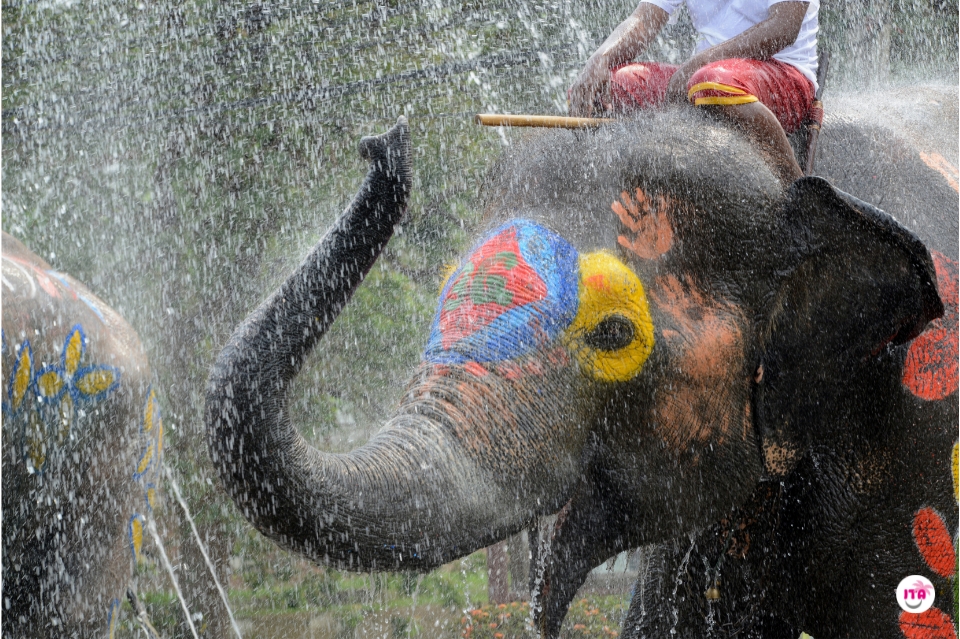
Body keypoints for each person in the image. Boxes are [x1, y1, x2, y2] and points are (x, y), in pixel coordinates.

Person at [568, 0, 819, 183]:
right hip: (704, 79)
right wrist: (600, 59)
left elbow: (784, 27)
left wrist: (700, 63)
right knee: (605, 88)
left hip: (782, 73)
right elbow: (644, 20)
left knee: (709, 81)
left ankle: (797, 190)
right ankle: (609, 189)